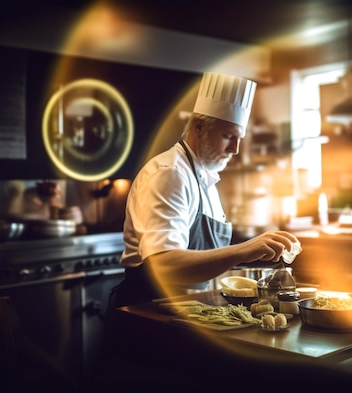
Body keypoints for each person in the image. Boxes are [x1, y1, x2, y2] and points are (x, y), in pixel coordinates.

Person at [111, 72, 299, 307]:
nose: (236, 149)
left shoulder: (204, 177)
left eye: (239, 138)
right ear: (199, 127)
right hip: (148, 310)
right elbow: (163, 264)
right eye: (228, 136)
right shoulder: (169, 173)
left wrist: (256, 254)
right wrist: (243, 250)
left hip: (187, 308)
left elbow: (206, 259)